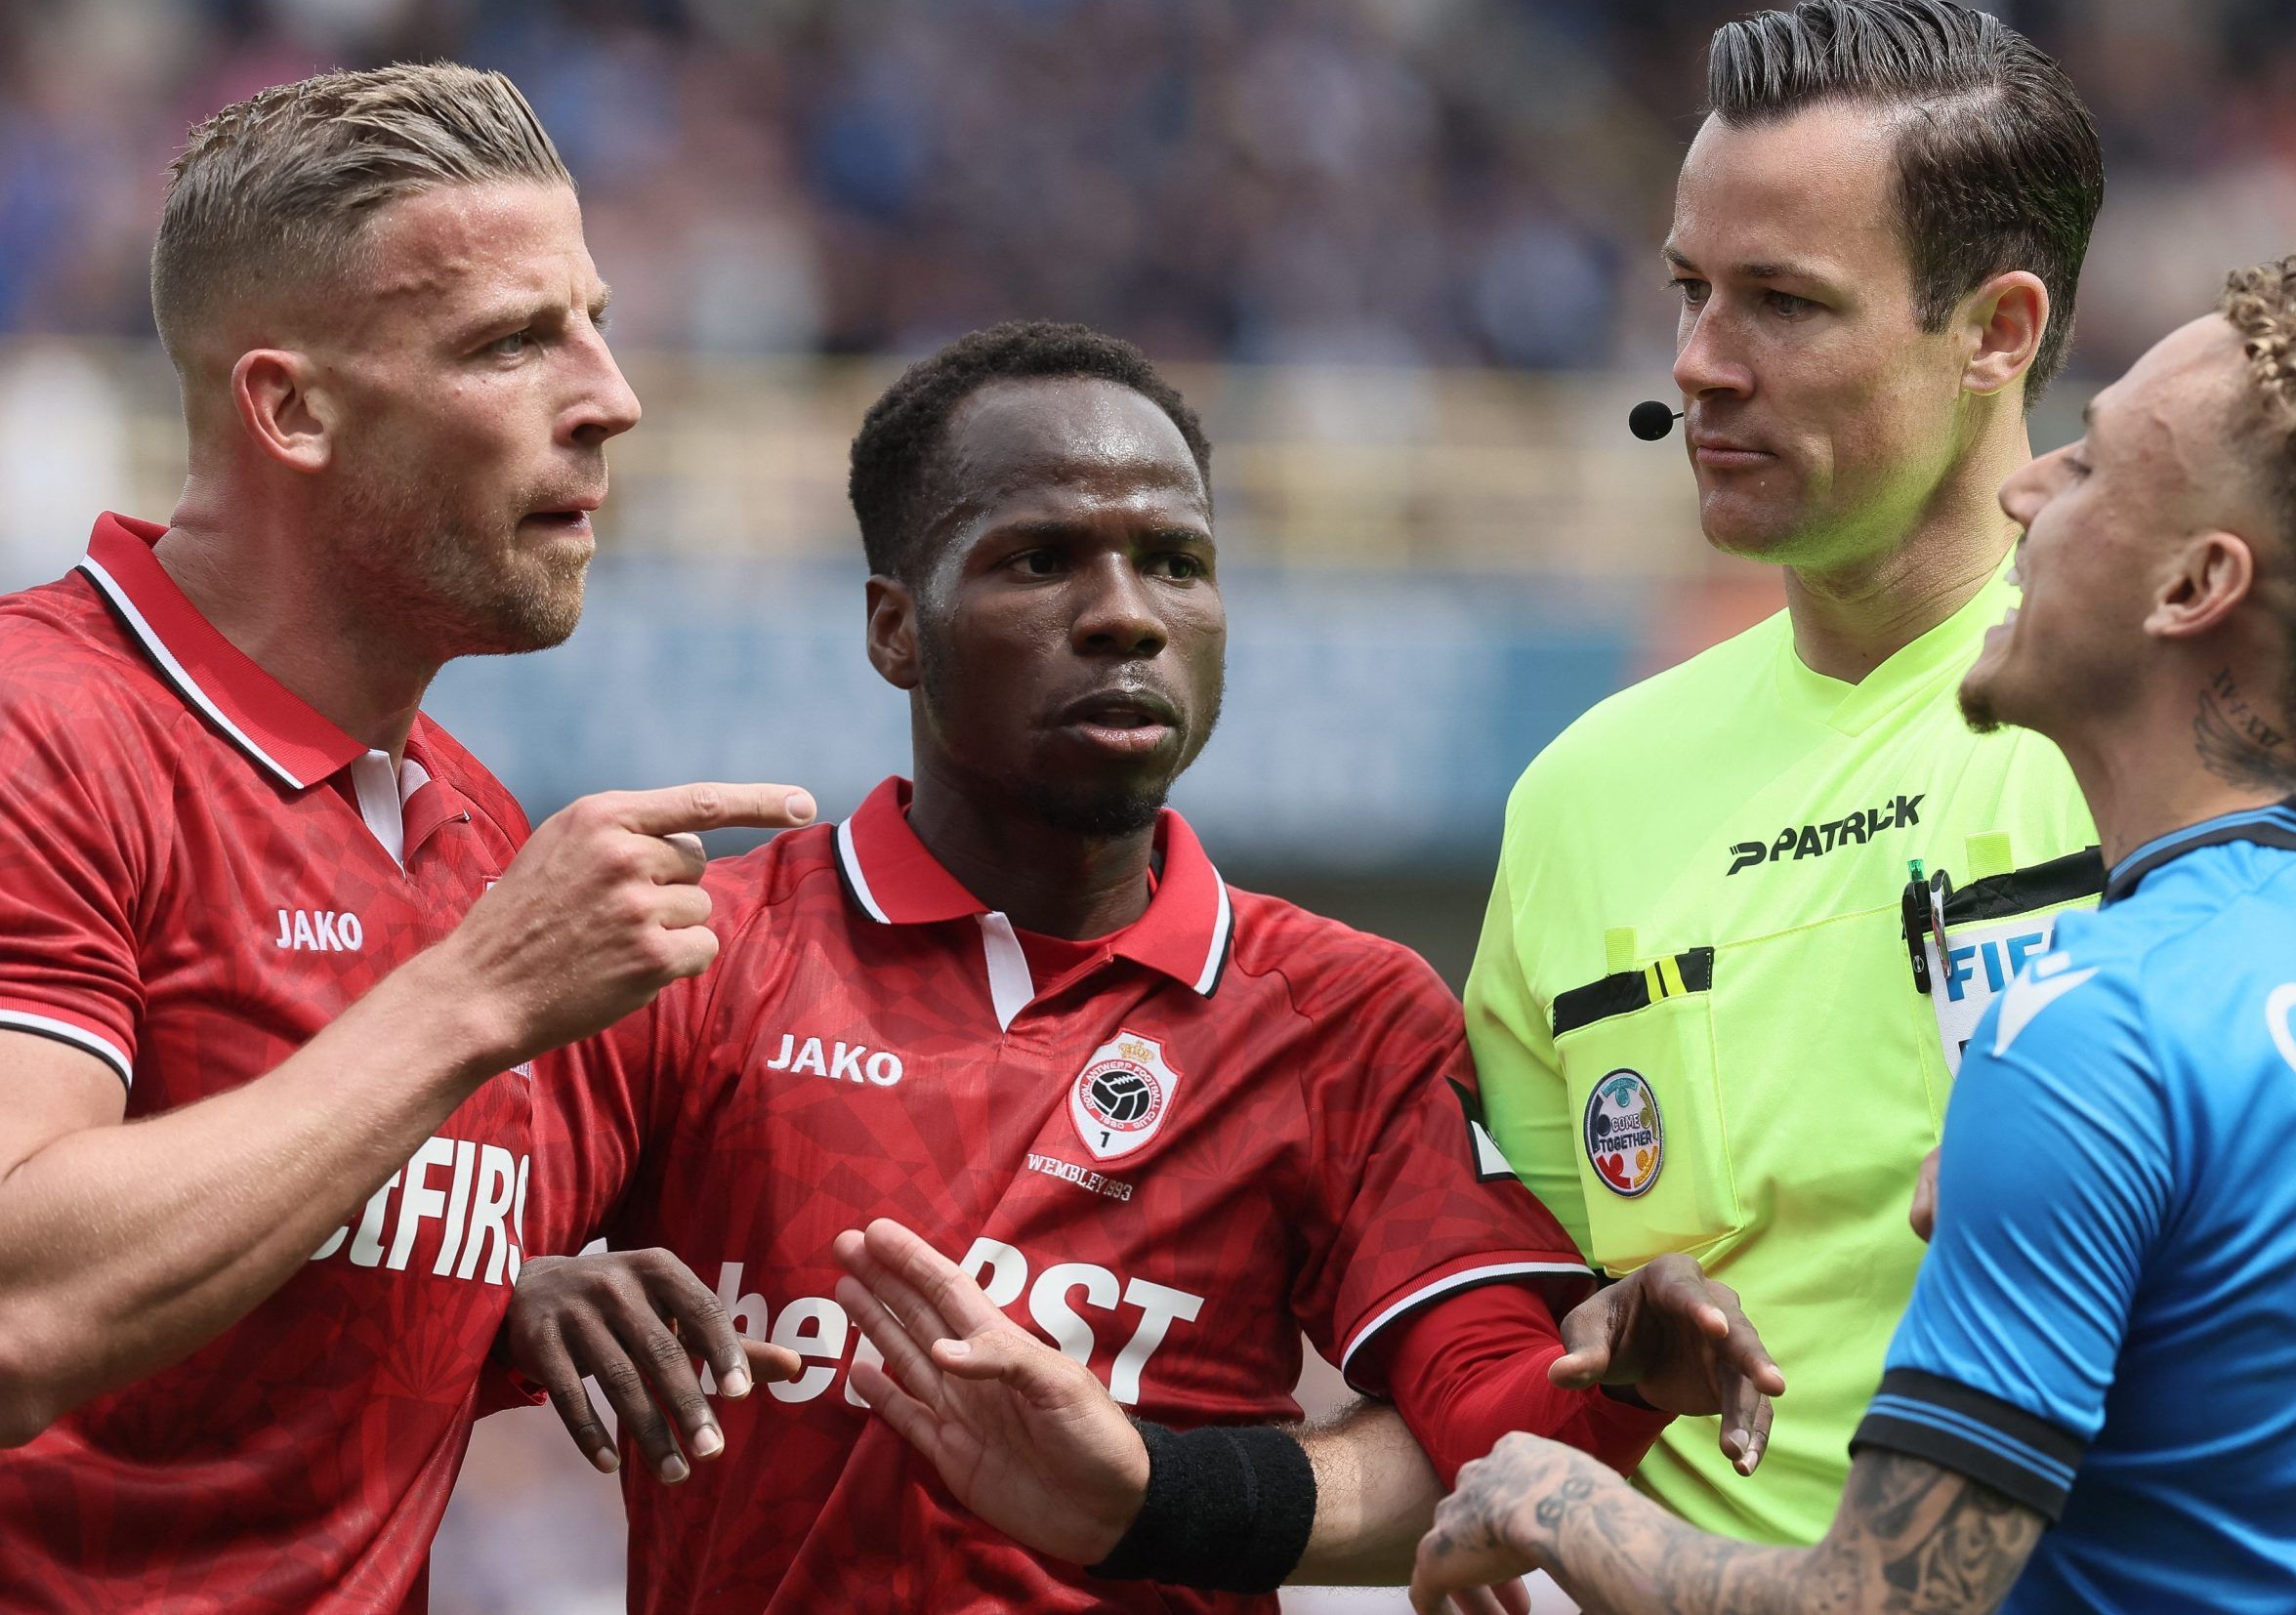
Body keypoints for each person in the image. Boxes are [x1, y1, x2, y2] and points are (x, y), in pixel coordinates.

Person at [513, 319, 1784, 1613]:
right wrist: (516, 1295)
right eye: (1039, 561)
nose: (1125, 614)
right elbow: (402, 1291)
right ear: (897, 630)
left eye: (1177, 562)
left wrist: (1618, 1375)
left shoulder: (1341, 1018)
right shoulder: (697, 957)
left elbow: (1489, 1422)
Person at [1461, 0, 2296, 1552]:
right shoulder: (1578, 799)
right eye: (1688, 290)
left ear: (1998, 333)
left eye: (1785, 305)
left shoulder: (2223, 706)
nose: (1699, 364)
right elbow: (1508, 1382)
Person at [0, 63, 811, 1610]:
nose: (610, 395)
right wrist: (472, 999)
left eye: (594, 318)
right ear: (290, 407)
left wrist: (497, 1298)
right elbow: (15, 1320)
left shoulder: (471, 833)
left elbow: (252, 1218)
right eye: (515, 342)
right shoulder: (40, 732)